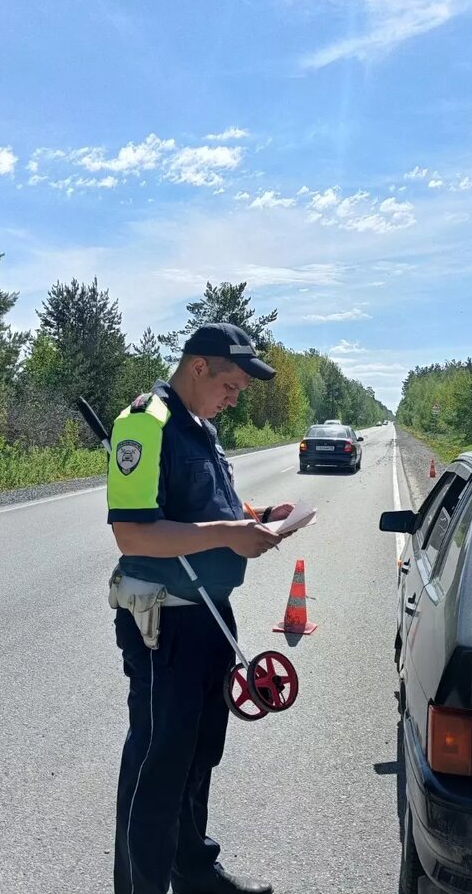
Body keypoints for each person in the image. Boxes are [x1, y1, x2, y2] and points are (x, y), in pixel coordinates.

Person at [106, 322, 295, 894]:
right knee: (159, 761)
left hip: (209, 613)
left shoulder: (202, 427)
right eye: (231, 384)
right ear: (198, 367)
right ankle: (142, 885)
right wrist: (226, 534)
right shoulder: (146, 421)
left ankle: (193, 873)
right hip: (165, 621)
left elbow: (207, 506)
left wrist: (257, 518)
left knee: (198, 752)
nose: (235, 397)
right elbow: (132, 535)